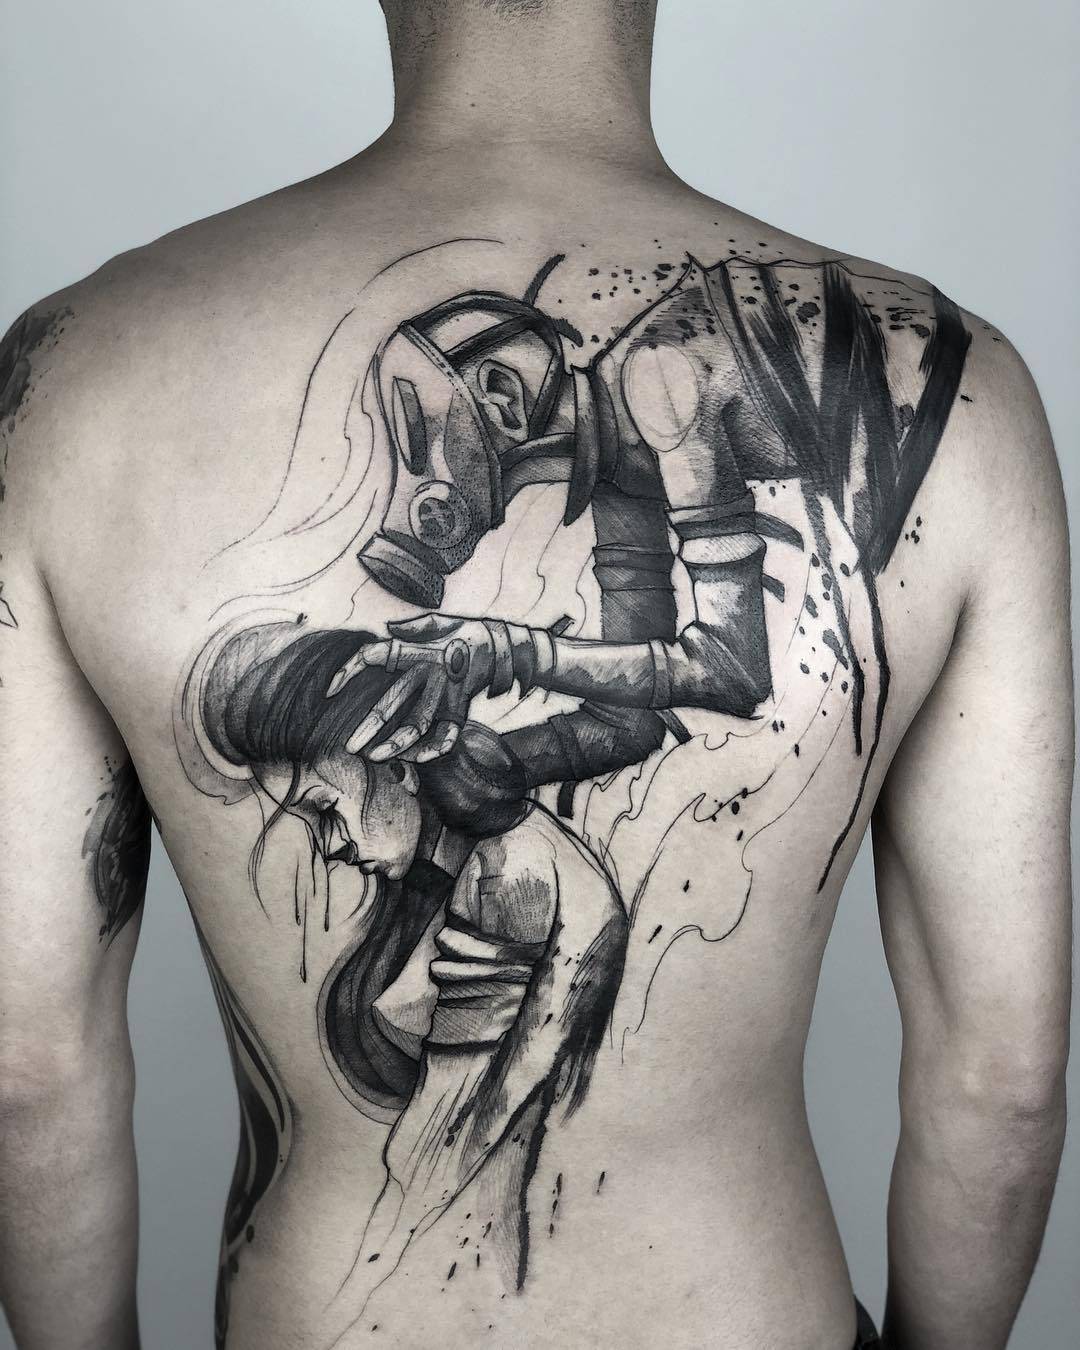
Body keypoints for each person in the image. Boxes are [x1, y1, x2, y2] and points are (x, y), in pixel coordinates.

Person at [0, 3, 1071, 1350]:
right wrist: (496, 737)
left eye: (440, 446)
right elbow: (1001, 1083)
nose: (431, 496)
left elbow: (27, 1071)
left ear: (504, 397)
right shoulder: (978, 404)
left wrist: (505, 650)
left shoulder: (69, 379)